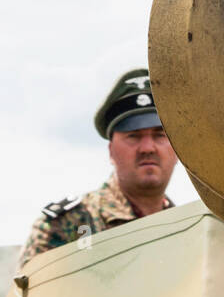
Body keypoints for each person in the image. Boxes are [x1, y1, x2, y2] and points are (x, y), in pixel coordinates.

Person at [18, 69, 177, 269]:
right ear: (111, 150)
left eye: (159, 135)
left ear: (178, 149)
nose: (147, 148)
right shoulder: (70, 226)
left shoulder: (190, 229)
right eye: (133, 135)